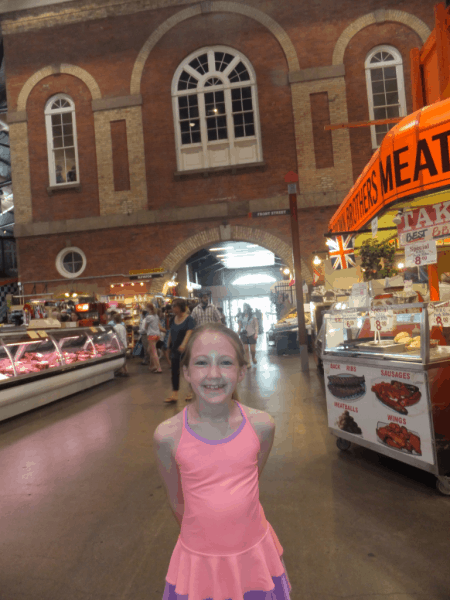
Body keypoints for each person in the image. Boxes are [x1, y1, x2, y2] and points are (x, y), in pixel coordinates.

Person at [153, 322, 292, 600]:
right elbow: (177, 502)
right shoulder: (168, 436)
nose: (213, 374)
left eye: (225, 363)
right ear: (186, 372)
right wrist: (209, 539)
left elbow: (251, 481)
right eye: (202, 363)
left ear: (241, 371)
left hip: (253, 553)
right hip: (200, 558)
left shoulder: (262, 425)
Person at [165, 298, 195, 403]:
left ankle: (191, 391)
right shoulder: (173, 319)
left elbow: (189, 332)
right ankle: (175, 394)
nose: (172, 308)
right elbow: (170, 332)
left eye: (174, 306)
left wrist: (183, 344)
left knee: (188, 370)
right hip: (175, 349)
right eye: (172, 306)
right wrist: (168, 345)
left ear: (180, 307)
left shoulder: (189, 319)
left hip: (186, 349)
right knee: (174, 371)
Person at [145, 303, 166, 374]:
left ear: (148, 309)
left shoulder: (148, 317)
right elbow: (158, 325)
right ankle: (152, 366)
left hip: (151, 335)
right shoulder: (156, 316)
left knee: (153, 352)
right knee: (149, 350)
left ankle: (158, 368)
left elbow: (145, 327)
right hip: (157, 335)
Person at [238, 303, 259, 368]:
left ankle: (253, 358)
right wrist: (237, 334)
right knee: (246, 349)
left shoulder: (253, 316)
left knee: (253, 350)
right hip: (244, 334)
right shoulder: (241, 316)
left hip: (252, 334)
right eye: (243, 307)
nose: (245, 309)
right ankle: (248, 362)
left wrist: (256, 333)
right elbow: (239, 327)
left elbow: (256, 325)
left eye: (246, 307)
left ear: (248, 308)